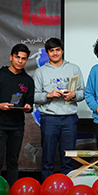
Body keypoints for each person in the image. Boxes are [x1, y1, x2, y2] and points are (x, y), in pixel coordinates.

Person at [34, 37, 85, 181]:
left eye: (57, 50)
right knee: (47, 158)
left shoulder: (73, 68)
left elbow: (82, 92)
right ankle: (46, 188)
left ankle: (67, 188)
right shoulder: (40, 72)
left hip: (69, 118)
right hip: (49, 119)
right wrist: (49, 95)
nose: (55, 53)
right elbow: (34, 96)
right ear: (47, 53)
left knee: (68, 158)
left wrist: (73, 95)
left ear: (62, 51)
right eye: (51, 50)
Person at [0, 43, 35, 187]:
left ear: (26, 60)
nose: (20, 61)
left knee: (13, 162)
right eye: (17, 57)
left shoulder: (28, 80)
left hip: (17, 127)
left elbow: (30, 102)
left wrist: (28, 107)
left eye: (23, 58)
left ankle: (12, 193)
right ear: (11, 57)